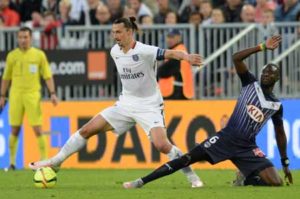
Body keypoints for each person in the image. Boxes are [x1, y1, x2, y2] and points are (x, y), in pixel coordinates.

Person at [29, 17, 204, 188]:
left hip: (149, 105)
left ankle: (192, 176)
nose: (115, 35)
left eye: (119, 32)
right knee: (87, 130)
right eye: (113, 32)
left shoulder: (144, 50)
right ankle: (56, 161)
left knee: (162, 145)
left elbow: (170, 53)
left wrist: (186, 57)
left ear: (130, 32)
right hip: (125, 104)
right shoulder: (115, 51)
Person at [123, 35, 293, 189]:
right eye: (264, 71)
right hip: (225, 138)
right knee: (186, 159)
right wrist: (262, 47)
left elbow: (280, 134)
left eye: (270, 74)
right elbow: (236, 58)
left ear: (276, 79)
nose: (266, 75)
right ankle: (141, 181)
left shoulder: (276, 105)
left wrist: (285, 162)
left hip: (247, 147)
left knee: (275, 183)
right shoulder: (249, 82)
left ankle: (246, 178)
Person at [0, 27, 58, 170]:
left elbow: (47, 75)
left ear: (31, 38)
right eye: (20, 37)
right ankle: (12, 163)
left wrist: (53, 93)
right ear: (17, 39)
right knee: (14, 129)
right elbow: (6, 78)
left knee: (37, 129)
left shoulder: (39, 55)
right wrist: (2, 95)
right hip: (15, 95)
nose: (23, 40)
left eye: (25, 37)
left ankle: (44, 162)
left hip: (33, 95)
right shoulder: (12, 56)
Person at [158, 29, 194, 100]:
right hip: (179, 90)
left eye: (172, 37)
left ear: (179, 38)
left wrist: (158, 70)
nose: (169, 39)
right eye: (168, 37)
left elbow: (164, 71)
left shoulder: (178, 52)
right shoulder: (179, 50)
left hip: (176, 91)